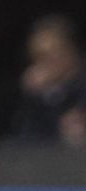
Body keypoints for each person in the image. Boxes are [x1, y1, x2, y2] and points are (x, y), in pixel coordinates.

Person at [11, 14, 86, 147]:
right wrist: (38, 96)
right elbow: (25, 138)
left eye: (53, 52)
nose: (46, 61)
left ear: (70, 50)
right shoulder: (37, 95)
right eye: (38, 56)